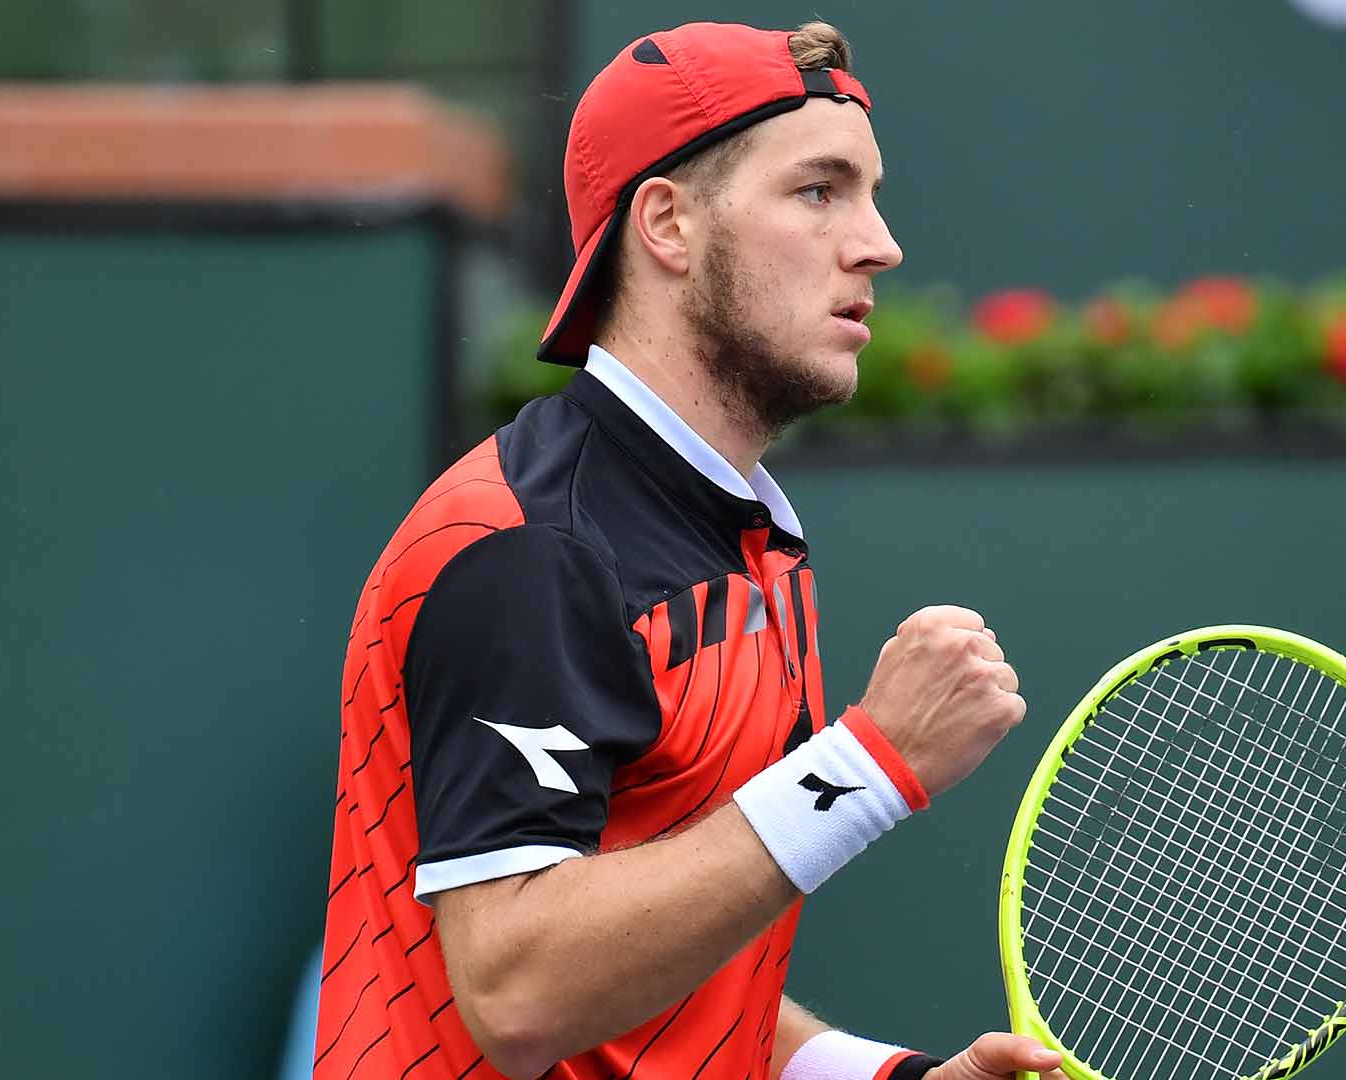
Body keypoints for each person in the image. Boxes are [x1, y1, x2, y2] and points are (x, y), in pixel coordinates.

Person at [314, 20, 1066, 1080]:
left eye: (870, 193)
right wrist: (867, 767)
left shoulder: (747, 537)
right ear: (666, 222)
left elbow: (663, 959)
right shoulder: (530, 548)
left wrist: (876, 1077)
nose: (878, 243)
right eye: (819, 190)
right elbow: (519, 990)